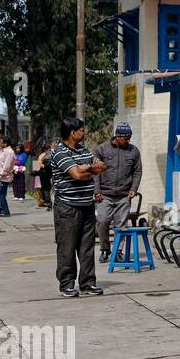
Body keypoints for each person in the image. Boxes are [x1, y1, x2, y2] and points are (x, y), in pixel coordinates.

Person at [50, 118, 106, 297]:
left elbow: (102, 166)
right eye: (82, 130)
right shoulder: (59, 152)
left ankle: (88, 283)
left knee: (87, 247)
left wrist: (85, 168)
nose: (85, 133)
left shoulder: (83, 150)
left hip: (87, 205)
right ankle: (66, 284)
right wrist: (86, 170)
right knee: (67, 247)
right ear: (73, 133)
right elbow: (75, 174)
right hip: (67, 208)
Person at [93, 122, 143, 263]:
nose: (128, 141)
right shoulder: (102, 149)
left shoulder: (134, 151)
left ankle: (118, 251)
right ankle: (104, 249)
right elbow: (95, 172)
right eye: (126, 138)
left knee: (121, 225)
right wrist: (97, 190)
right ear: (117, 136)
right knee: (102, 221)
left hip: (124, 195)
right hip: (105, 195)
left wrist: (133, 189)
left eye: (130, 137)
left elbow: (137, 171)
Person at [0, 136, 14, 216]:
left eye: (1, 142)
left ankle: (5, 211)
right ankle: (1, 210)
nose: (0, 143)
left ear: (5, 143)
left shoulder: (9, 152)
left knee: (1, 194)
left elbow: (6, 165)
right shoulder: (3, 151)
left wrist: (0, 173)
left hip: (4, 177)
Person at [36, 139, 54, 209]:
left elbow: (41, 164)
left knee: (46, 189)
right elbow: (41, 164)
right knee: (46, 189)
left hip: (46, 173)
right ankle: (47, 202)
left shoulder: (46, 155)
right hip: (45, 173)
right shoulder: (44, 155)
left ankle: (47, 202)